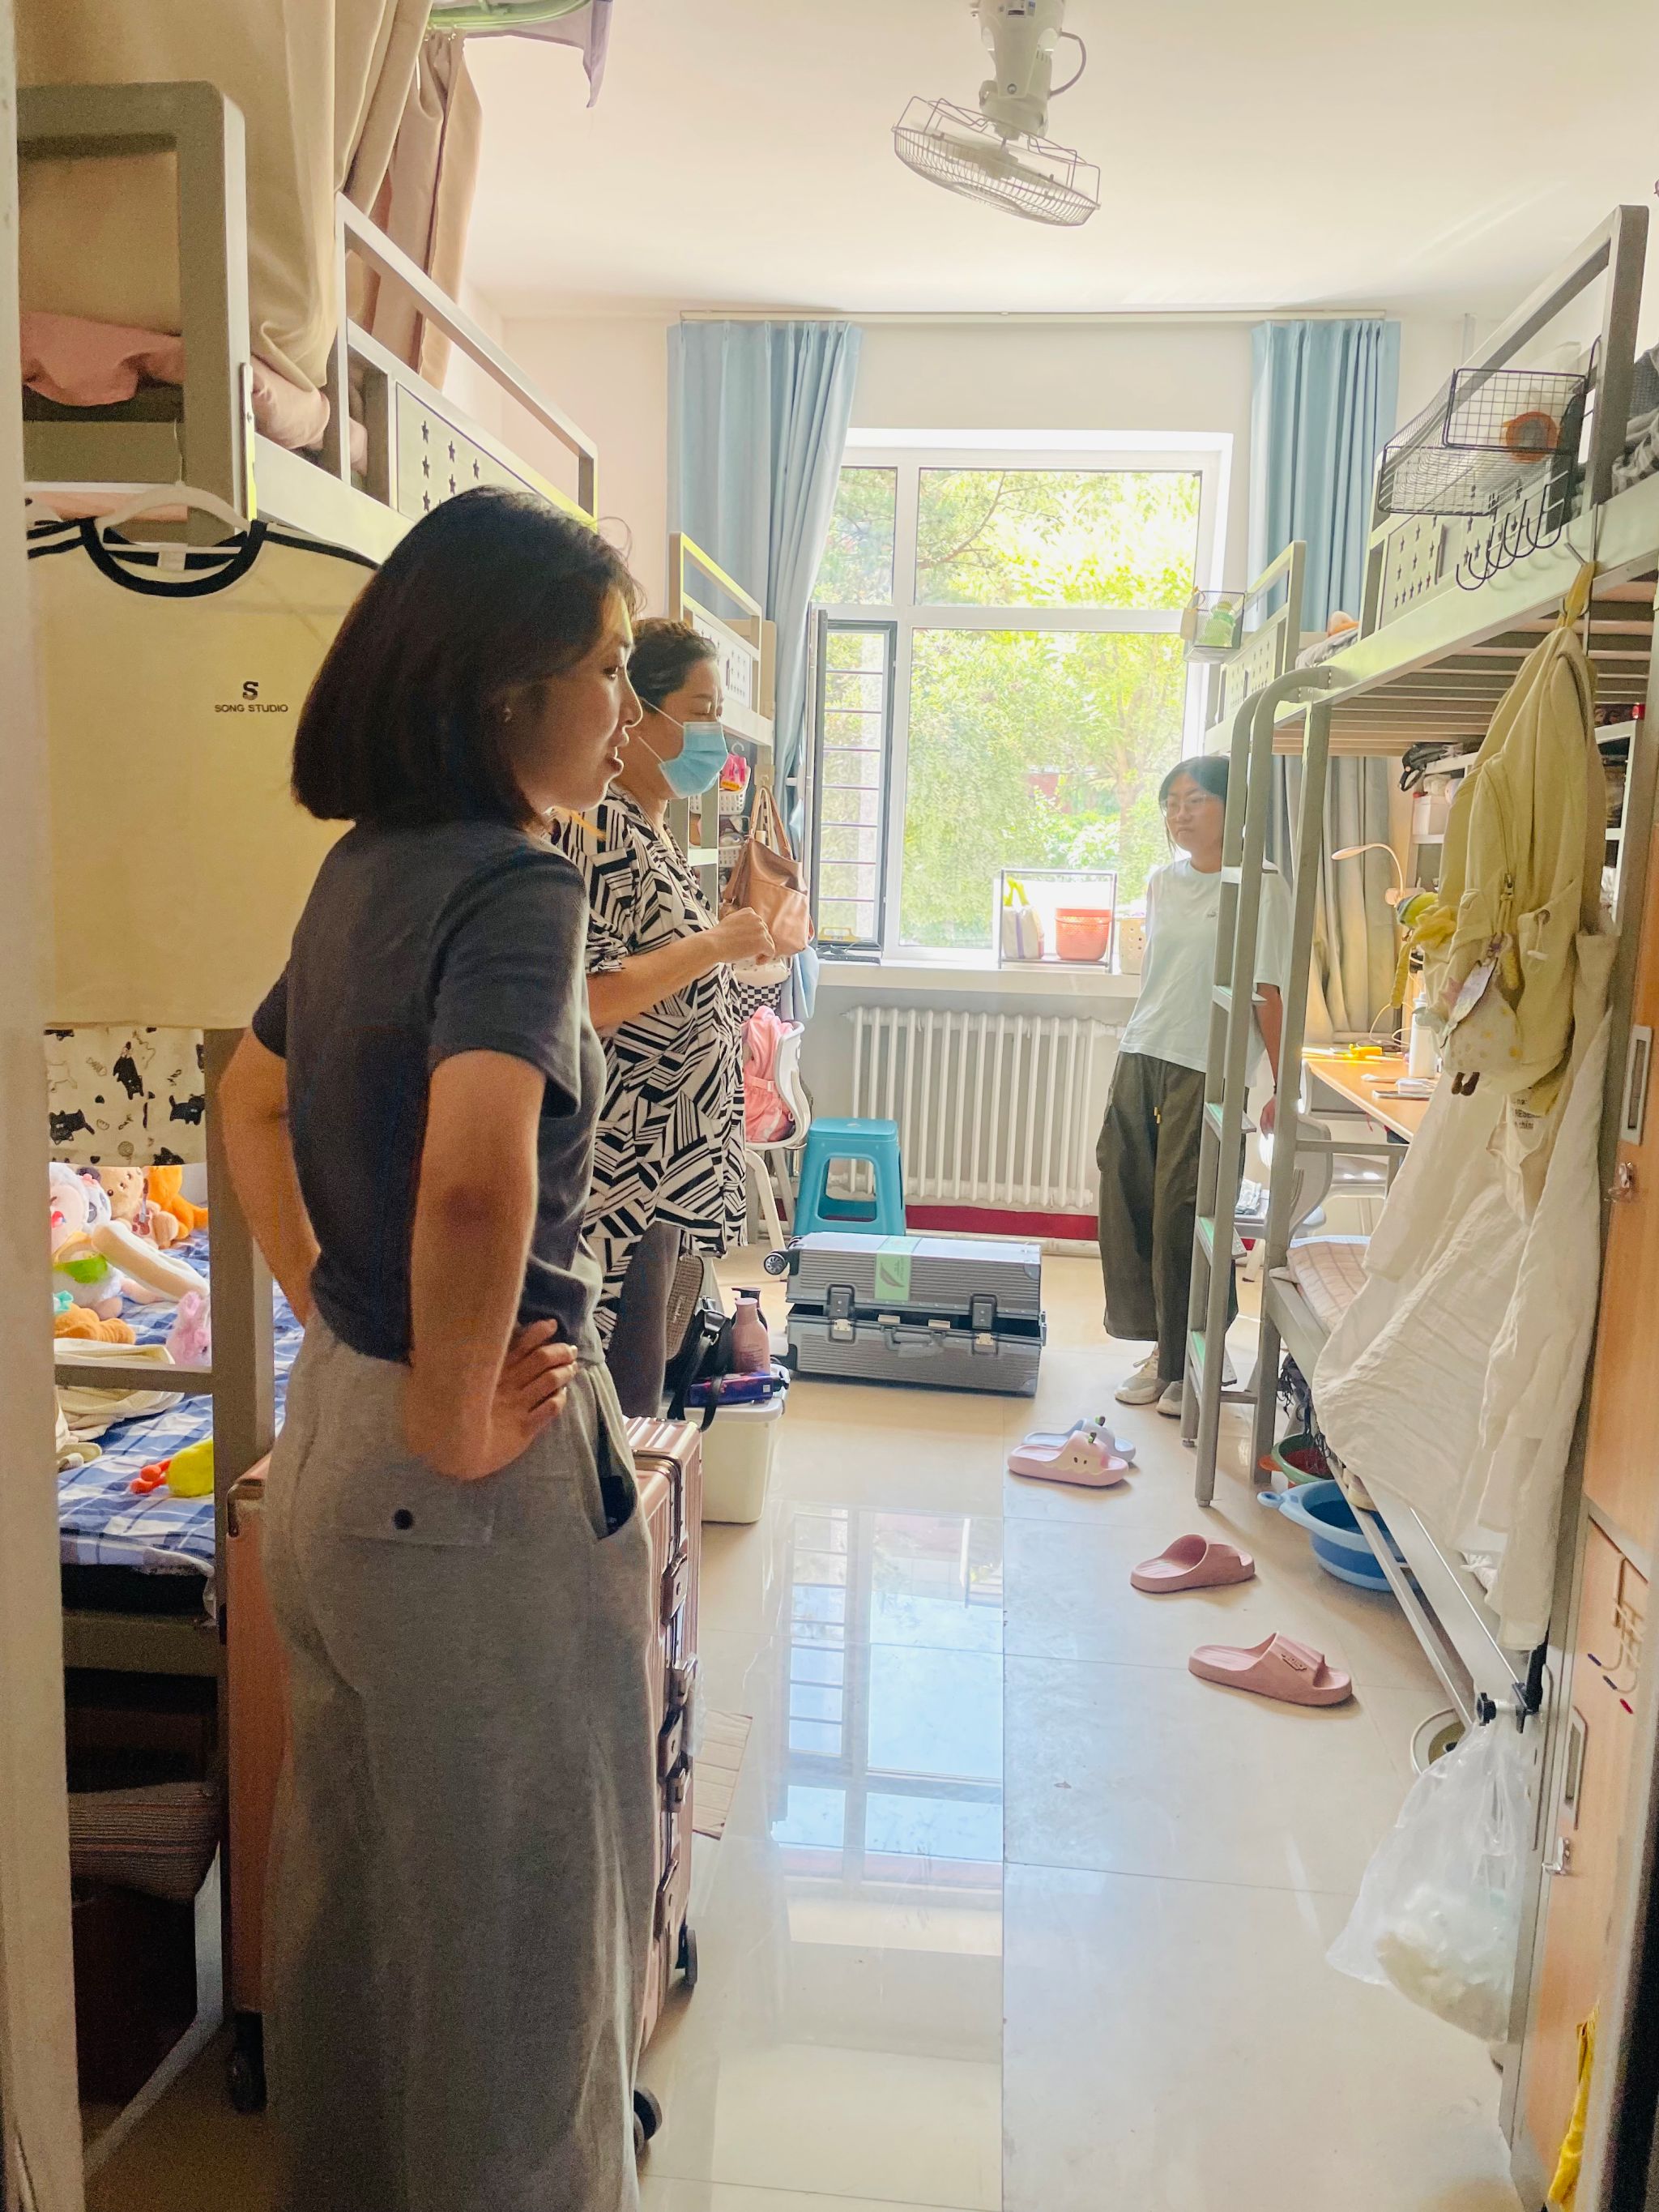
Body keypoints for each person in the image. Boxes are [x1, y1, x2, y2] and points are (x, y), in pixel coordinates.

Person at [219, 489, 657, 2212]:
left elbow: (247, 1098)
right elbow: (479, 1183)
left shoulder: (363, 871)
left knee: (361, 1900)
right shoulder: (517, 884)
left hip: (336, 1441)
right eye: (606, 666)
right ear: (503, 685)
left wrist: (338, 1304)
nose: (626, 707)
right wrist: (460, 1412)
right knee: (515, 1938)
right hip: (457, 1479)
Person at [553, 618, 774, 1416]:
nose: (715, 737)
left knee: (650, 1360)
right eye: (701, 712)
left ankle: (647, 1483)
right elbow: (589, 998)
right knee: (623, 1379)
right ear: (634, 712)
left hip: (668, 1159)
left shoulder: (651, 828)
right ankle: (629, 1489)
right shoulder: (601, 826)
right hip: (627, 1161)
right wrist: (717, 943)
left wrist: (744, 964)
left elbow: (675, 992)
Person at [1096, 754, 1290, 1418]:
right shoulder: (1162, 881)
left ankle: (1193, 1359)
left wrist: (1282, 1084)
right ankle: (1163, 1349)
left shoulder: (1262, 884)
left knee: (1187, 1210)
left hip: (1208, 1063)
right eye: (1171, 803)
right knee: (1126, 1197)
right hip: (1143, 1049)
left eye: (1196, 800)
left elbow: (1268, 992)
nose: (1180, 814)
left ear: (1235, 809)